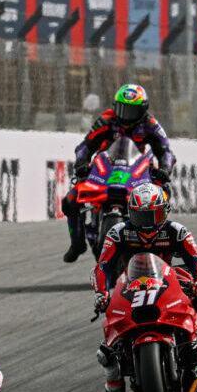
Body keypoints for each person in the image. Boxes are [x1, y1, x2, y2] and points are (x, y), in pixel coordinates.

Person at [91, 183, 197, 392]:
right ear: (130, 213)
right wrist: (102, 292)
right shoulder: (118, 232)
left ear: (165, 212)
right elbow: (103, 266)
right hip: (131, 284)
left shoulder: (177, 231)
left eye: (153, 215)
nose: (147, 221)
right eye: (140, 215)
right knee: (106, 354)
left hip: (169, 279)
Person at [64, 85, 178, 262]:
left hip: (137, 173)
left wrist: (164, 169)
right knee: (71, 200)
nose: (125, 114)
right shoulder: (106, 119)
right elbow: (86, 145)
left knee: (164, 194)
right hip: (104, 170)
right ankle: (77, 243)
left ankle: (160, 245)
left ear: (142, 109)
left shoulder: (150, 124)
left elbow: (165, 151)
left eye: (131, 110)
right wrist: (81, 163)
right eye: (121, 108)